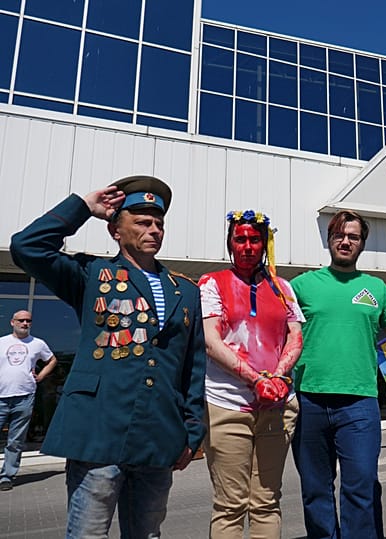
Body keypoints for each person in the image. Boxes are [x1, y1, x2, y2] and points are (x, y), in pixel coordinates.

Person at [9, 176, 207, 537]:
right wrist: (84, 207)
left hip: (159, 436)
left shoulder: (186, 291)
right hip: (98, 431)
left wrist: (193, 431)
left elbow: (192, 367)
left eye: (159, 223)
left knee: (147, 533)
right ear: (116, 230)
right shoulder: (91, 275)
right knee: (87, 532)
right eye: (143, 222)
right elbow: (26, 247)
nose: (155, 230)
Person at [290, 209, 386, 539]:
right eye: (339, 234)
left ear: (362, 244)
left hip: (360, 403)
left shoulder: (377, 289)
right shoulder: (302, 286)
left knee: (361, 486)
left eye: (353, 236)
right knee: (315, 490)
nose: (345, 241)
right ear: (329, 239)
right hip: (310, 399)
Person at [199, 210, 305, 538]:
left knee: (267, 501)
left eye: (254, 239)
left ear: (264, 244)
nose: (247, 246)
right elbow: (211, 341)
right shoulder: (211, 283)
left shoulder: (283, 286)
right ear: (230, 243)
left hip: (277, 407)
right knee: (230, 504)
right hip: (226, 405)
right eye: (239, 239)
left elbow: (295, 337)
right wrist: (257, 379)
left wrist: (277, 378)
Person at [0, 310, 57, 491]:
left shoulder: (38, 344)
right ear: (12, 322)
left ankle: (7, 476)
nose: (25, 323)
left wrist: (40, 376)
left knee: (15, 441)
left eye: (28, 321)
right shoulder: (2, 342)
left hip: (25, 397)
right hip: (1, 396)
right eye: (21, 320)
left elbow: (52, 360)